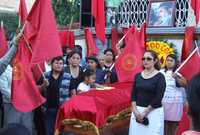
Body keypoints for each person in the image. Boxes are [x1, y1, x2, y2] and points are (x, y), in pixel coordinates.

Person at [129, 50, 166, 135]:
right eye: (143, 58)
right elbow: (133, 94)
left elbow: (158, 97)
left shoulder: (160, 77)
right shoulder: (137, 76)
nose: (145, 61)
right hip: (137, 112)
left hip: (153, 112)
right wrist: (135, 111)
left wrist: (145, 113)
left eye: (149, 59)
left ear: (155, 60)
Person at [37, 56, 71, 135]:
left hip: (62, 110)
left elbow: (72, 93)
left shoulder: (68, 76)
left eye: (61, 63)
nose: (58, 65)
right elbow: (37, 90)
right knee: (49, 132)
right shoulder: (45, 76)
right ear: (51, 64)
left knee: (61, 132)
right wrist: (43, 85)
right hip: (48, 109)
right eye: (56, 63)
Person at [160, 54, 187, 135]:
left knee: (174, 124)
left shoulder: (179, 72)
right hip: (163, 101)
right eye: (167, 60)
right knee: (164, 124)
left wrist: (176, 77)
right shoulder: (161, 72)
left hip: (176, 102)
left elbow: (184, 84)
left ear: (175, 62)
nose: (169, 62)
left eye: (171, 60)